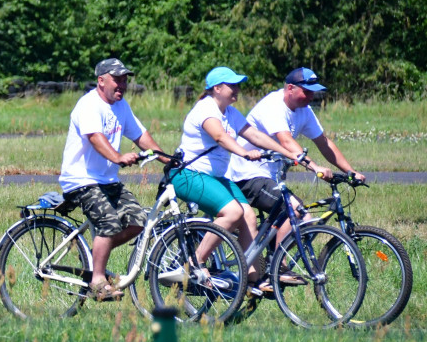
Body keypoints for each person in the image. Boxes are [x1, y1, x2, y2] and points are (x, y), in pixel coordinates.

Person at [169, 67, 307, 293]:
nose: (237, 90)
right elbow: (220, 136)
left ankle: (252, 279)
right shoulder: (205, 109)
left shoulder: (230, 112)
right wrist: (243, 153)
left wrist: (286, 152)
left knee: (248, 217)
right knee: (232, 212)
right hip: (188, 174)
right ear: (217, 88)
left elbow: (253, 135)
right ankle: (195, 263)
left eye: (238, 85)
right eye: (232, 85)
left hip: (214, 178)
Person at [59, 58, 164, 301]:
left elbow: (140, 135)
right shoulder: (88, 105)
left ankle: (97, 255)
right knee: (109, 223)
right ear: (101, 80)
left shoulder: (121, 106)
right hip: (81, 180)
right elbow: (95, 138)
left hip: (106, 181)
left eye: (125, 80)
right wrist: (117, 157)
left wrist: (164, 157)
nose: (122, 85)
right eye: (117, 79)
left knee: (139, 221)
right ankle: (97, 280)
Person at [228, 67, 356, 247]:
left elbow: (324, 143)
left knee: (302, 218)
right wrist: (315, 167)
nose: (311, 97)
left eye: (314, 93)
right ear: (290, 88)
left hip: (270, 178)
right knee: (297, 213)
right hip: (247, 175)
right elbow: (286, 141)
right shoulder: (273, 105)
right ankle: (280, 268)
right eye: (307, 92)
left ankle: (271, 263)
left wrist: (351, 172)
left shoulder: (304, 110)